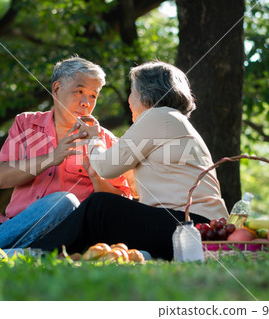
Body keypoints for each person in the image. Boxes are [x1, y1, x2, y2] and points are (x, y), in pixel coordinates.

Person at [0, 57, 130, 257]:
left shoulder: (106, 141)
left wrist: (96, 177)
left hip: (67, 234)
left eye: (93, 95)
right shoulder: (26, 124)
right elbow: (0, 179)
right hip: (12, 226)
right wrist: (52, 157)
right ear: (56, 89)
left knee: (65, 200)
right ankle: (23, 253)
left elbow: (119, 207)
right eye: (79, 91)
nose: (86, 102)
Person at [30, 61, 229, 260]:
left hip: (191, 225)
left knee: (100, 206)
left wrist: (94, 138)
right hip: (199, 226)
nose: (129, 100)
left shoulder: (158, 116)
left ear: (145, 93)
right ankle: (71, 255)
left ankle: (34, 252)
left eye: (132, 91)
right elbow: (135, 189)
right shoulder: (173, 120)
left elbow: (106, 167)